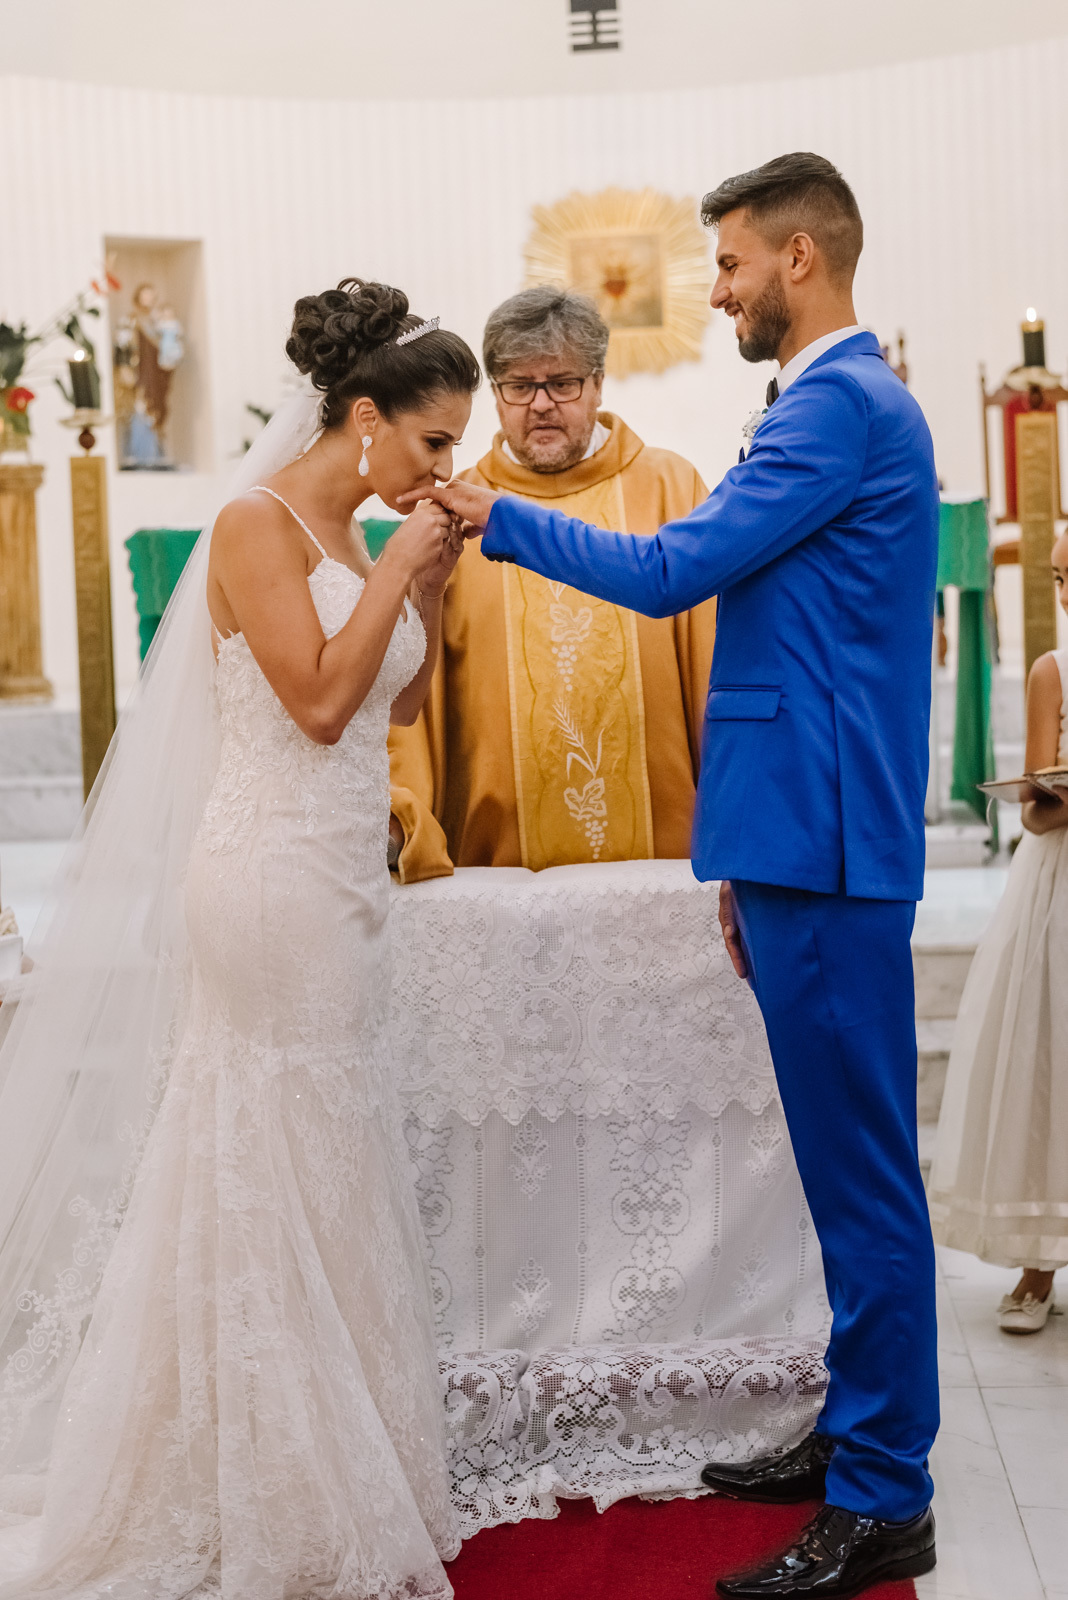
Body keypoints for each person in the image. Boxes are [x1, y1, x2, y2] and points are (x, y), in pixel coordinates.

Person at [406, 153, 940, 1598]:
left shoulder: (838, 402)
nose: (717, 292)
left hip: (827, 840)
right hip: (795, 830)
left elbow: (673, 574)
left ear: (805, 262)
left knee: (867, 1177)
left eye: (734, 265)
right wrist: (740, 844)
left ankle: (888, 1490)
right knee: (842, 1173)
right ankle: (859, 1426)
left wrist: (491, 516)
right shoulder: (827, 401)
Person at [0, 279, 481, 1599]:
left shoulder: (357, 528)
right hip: (267, 876)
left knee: (311, 1144)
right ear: (368, 417)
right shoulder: (255, 524)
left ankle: (318, 1445)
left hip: (339, 877)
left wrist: (425, 581)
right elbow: (322, 703)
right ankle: (285, 1482)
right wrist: (394, 569)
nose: (447, 468)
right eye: (435, 442)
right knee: (281, 1137)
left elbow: (400, 692)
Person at [387, 286, 715, 878]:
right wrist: (402, 813)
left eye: (562, 383)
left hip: (663, 867)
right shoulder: (450, 512)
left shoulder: (672, 489)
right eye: (518, 385)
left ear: (597, 384)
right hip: (497, 875)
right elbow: (413, 691)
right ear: (494, 394)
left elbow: (719, 664)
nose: (541, 404)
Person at [930, 531, 1068, 1332]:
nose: (1062, 591)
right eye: (1056, 577)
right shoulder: (1053, 671)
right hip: (1056, 888)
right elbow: (1036, 808)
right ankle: (1037, 1262)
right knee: (1045, 1056)